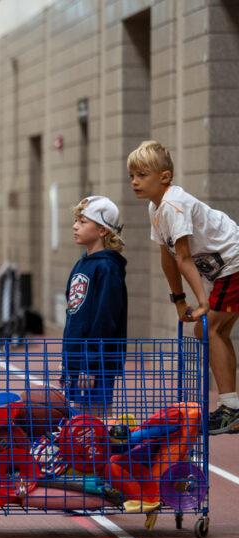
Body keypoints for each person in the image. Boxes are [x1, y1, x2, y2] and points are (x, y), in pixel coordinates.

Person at [129, 140, 239, 435]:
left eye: (142, 175)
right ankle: (232, 407)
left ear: (164, 177)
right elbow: (168, 259)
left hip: (235, 261)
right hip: (224, 271)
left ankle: (231, 408)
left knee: (209, 329)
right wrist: (179, 300)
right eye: (132, 176)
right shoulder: (156, 208)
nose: (135, 182)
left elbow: (185, 258)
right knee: (213, 330)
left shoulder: (174, 204)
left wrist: (201, 302)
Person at [59, 196, 128, 418]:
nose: (75, 226)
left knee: (95, 421)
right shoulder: (81, 264)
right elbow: (73, 316)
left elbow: (105, 321)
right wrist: (66, 359)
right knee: (76, 422)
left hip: (97, 364)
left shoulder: (108, 268)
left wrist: (91, 366)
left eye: (82, 221)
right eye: (76, 220)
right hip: (76, 360)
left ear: (102, 230)